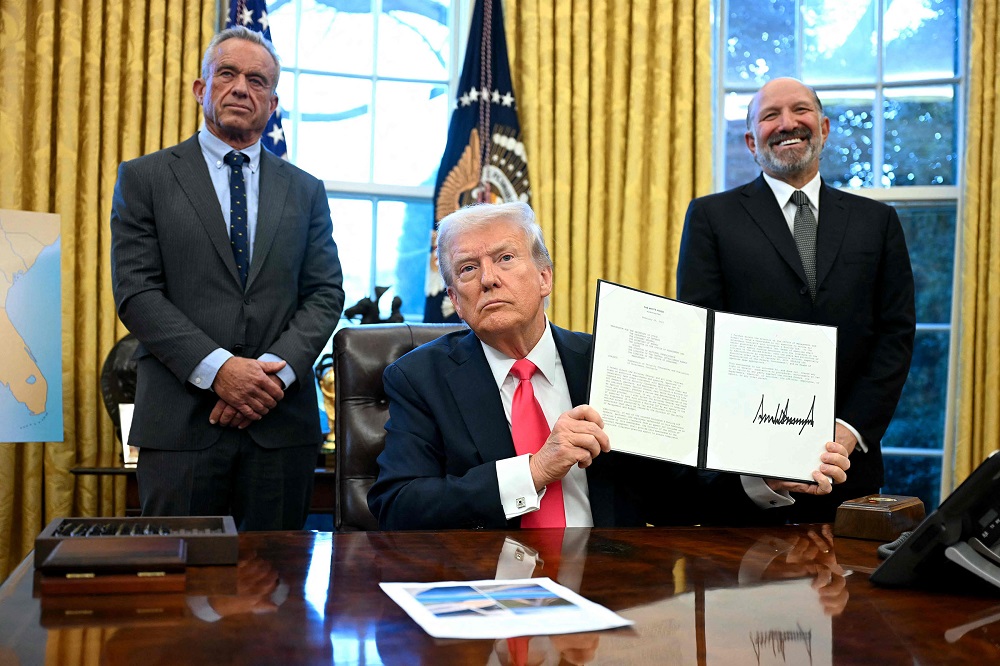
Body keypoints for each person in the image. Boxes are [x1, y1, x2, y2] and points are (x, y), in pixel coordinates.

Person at [368, 201, 850, 530]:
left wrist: (763, 478)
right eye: (468, 269)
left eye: (505, 258)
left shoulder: (614, 361)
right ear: (455, 299)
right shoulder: (419, 378)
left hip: (611, 587)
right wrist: (534, 470)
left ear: (544, 277)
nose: (488, 279)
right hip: (487, 590)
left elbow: (677, 494)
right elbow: (398, 505)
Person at [110, 26, 345, 530]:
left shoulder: (306, 190)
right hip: (180, 424)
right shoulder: (145, 178)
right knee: (180, 574)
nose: (241, 88)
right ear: (201, 88)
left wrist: (270, 378)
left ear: (272, 103)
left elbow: (326, 293)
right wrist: (220, 371)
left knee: (278, 577)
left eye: (257, 81)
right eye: (227, 74)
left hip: (280, 426)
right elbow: (137, 292)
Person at [676, 77, 915, 522]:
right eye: (770, 116)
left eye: (800, 110)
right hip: (744, 478)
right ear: (752, 141)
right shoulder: (711, 217)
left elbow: (895, 336)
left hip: (848, 471)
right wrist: (765, 449)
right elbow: (701, 336)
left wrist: (848, 432)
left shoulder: (878, 221)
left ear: (823, 127)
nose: (787, 123)